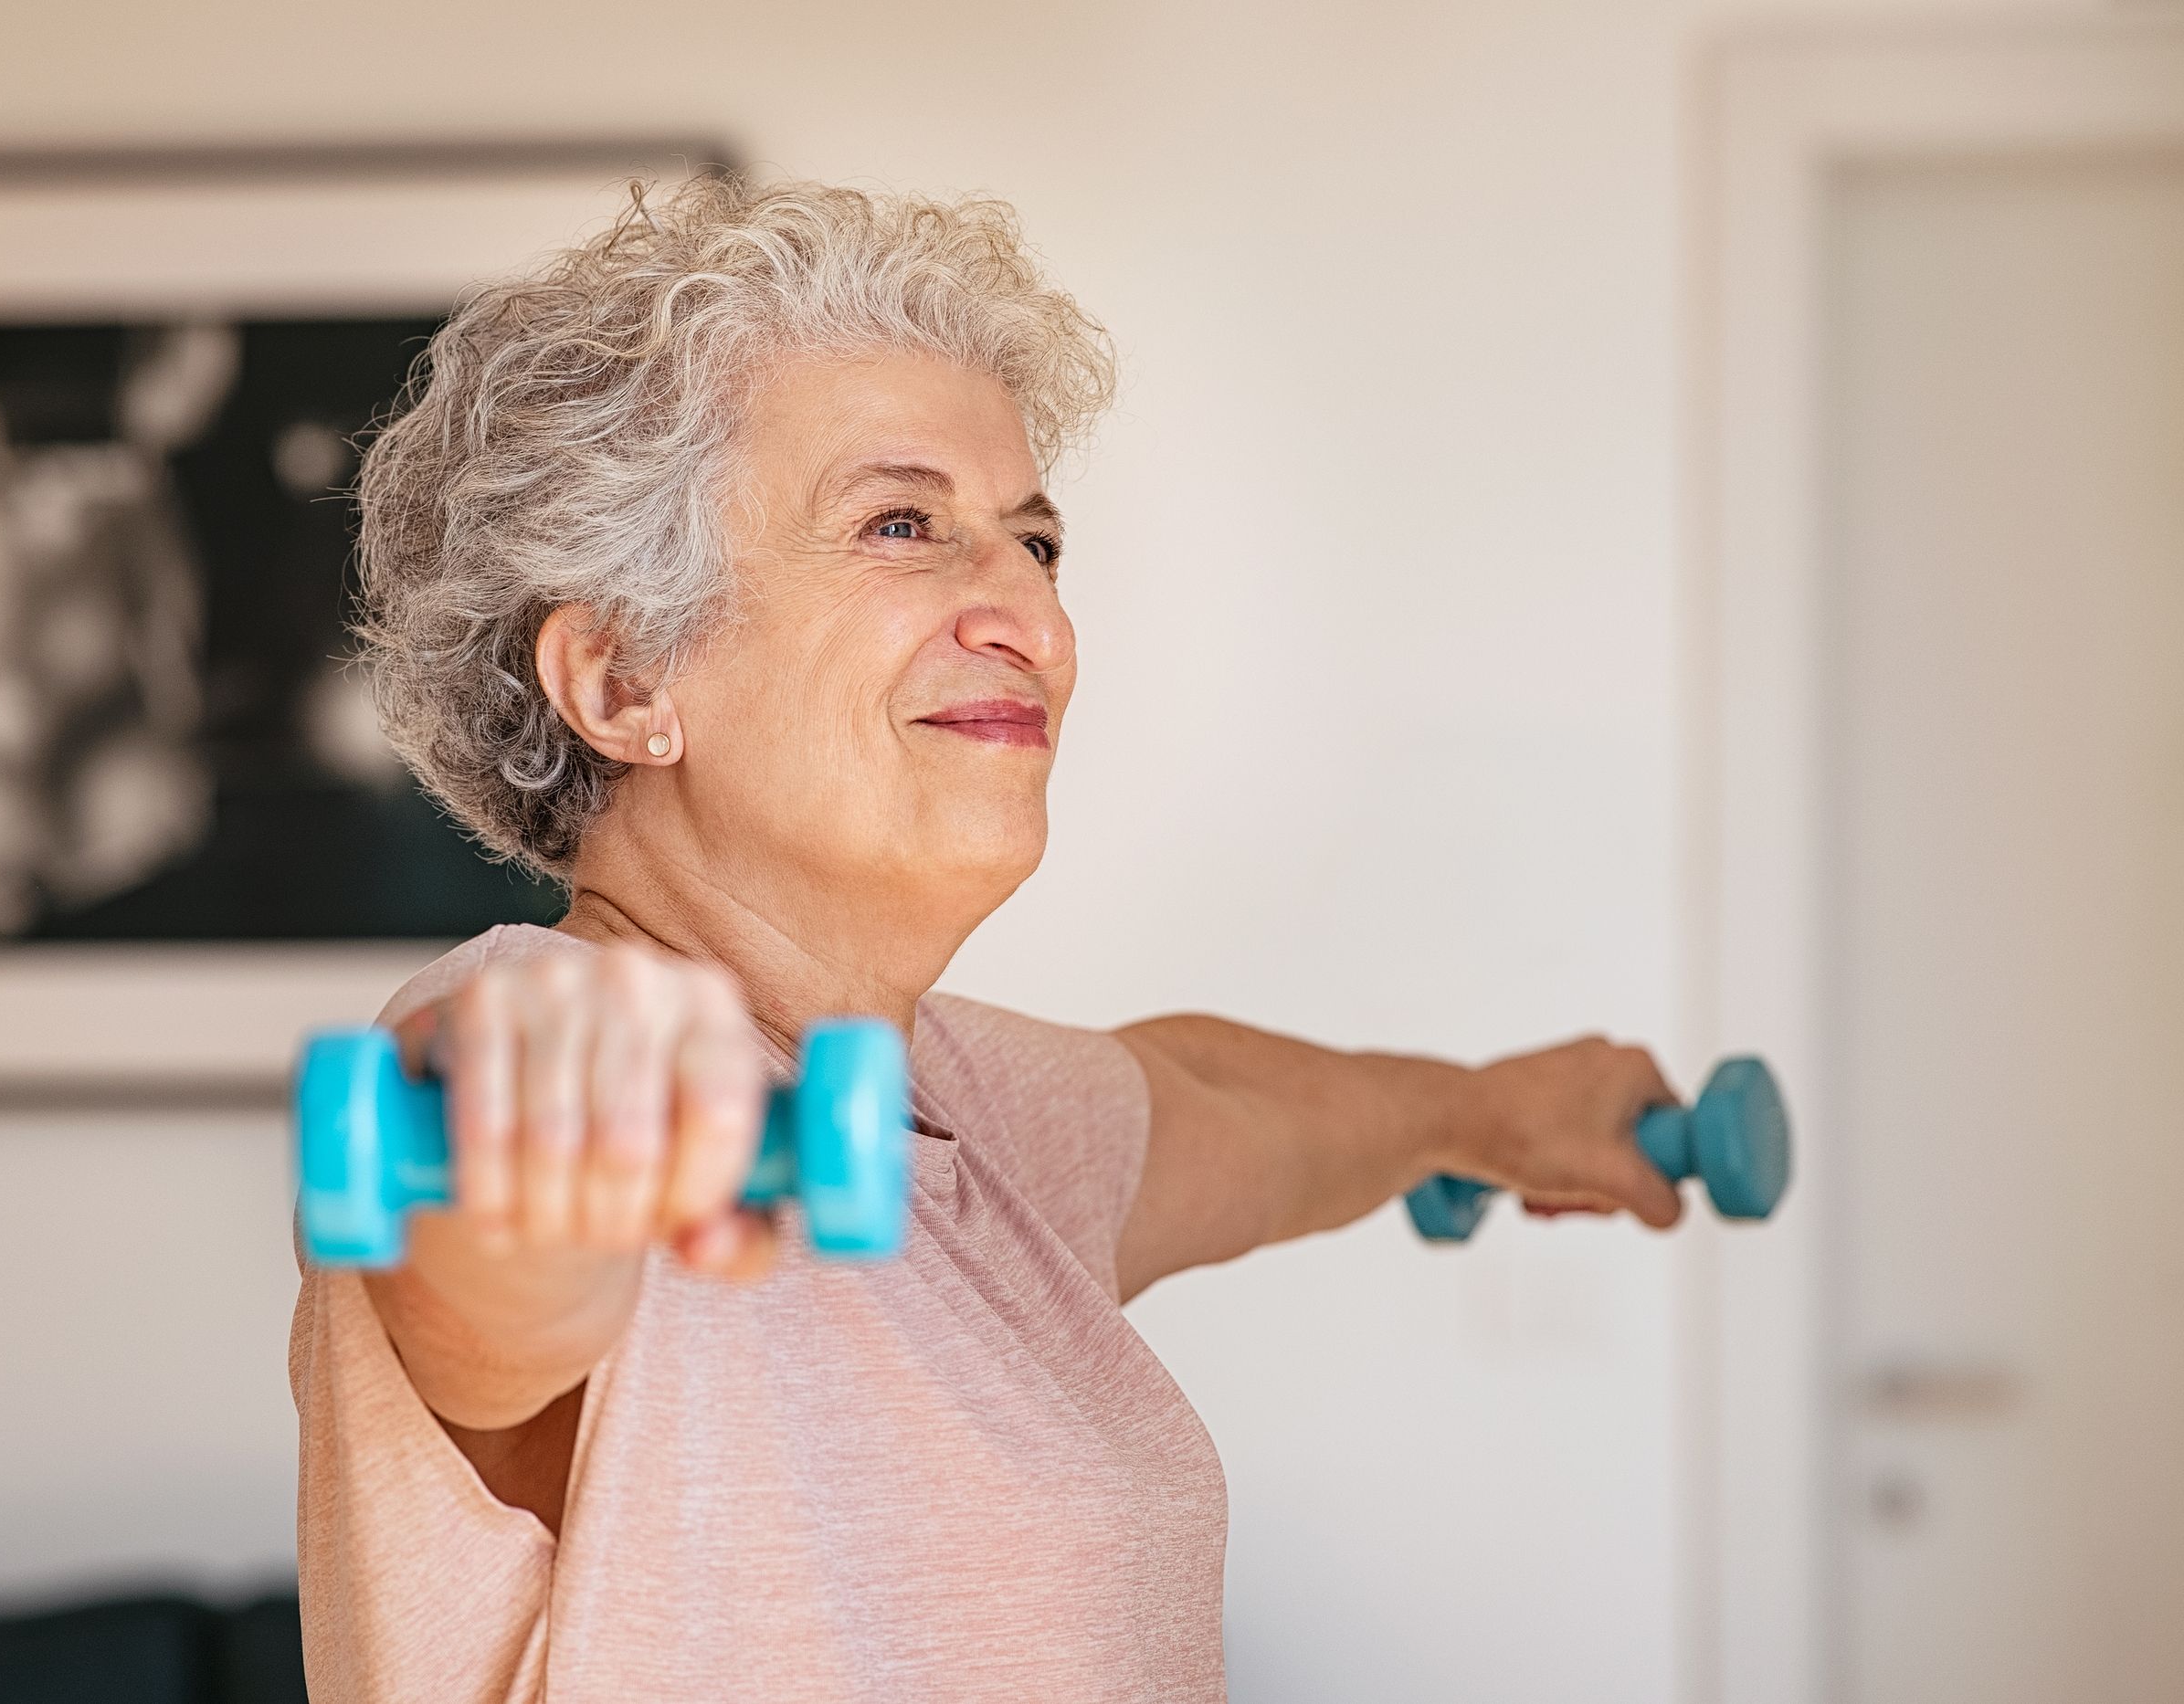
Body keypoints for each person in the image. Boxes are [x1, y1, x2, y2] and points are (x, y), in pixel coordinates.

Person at [290, 174, 1684, 1703]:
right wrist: (542, 1177)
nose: (1026, 608)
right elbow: (482, 1224)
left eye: (1035, 542)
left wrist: (1495, 1117)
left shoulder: (963, 1111)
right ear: (623, 682)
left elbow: (1222, 1100)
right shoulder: (544, 1020)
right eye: (903, 525)